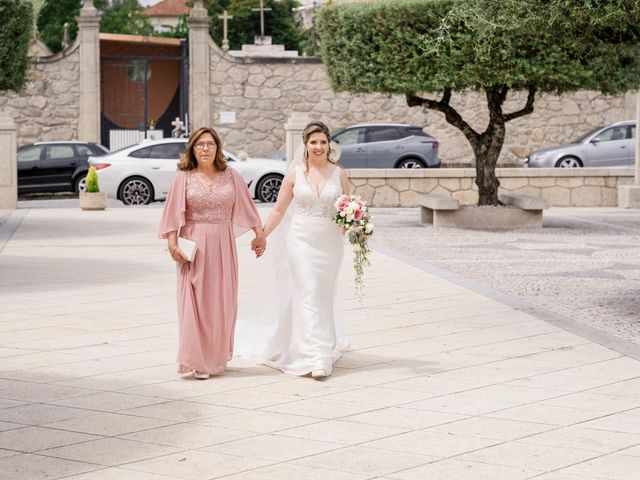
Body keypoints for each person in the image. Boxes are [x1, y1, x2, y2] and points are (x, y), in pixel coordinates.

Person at [159, 127, 265, 380]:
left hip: (223, 246)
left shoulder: (232, 176)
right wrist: (172, 244)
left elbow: (247, 208)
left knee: (222, 303)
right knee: (195, 303)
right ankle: (197, 360)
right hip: (194, 246)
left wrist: (259, 234)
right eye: (199, 145)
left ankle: (216, 356)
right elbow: (172, 213)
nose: (205, 149)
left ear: (218, 148)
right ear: (192, 149)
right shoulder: (183, 177)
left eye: (210, 144)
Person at [247, 120, 350, 379]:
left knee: (323, 295)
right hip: (301, 241)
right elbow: (280, 209)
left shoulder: (340, 174)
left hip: (330, 243)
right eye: (313, 142)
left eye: (323, 142)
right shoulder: (294, 173)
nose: (318, 147)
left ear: (329, 144)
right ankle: (316, 357)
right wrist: (262, 234)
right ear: (305, 145)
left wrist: (356, 225)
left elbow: (347, 208)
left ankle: (321, 346)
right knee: (309, 291)